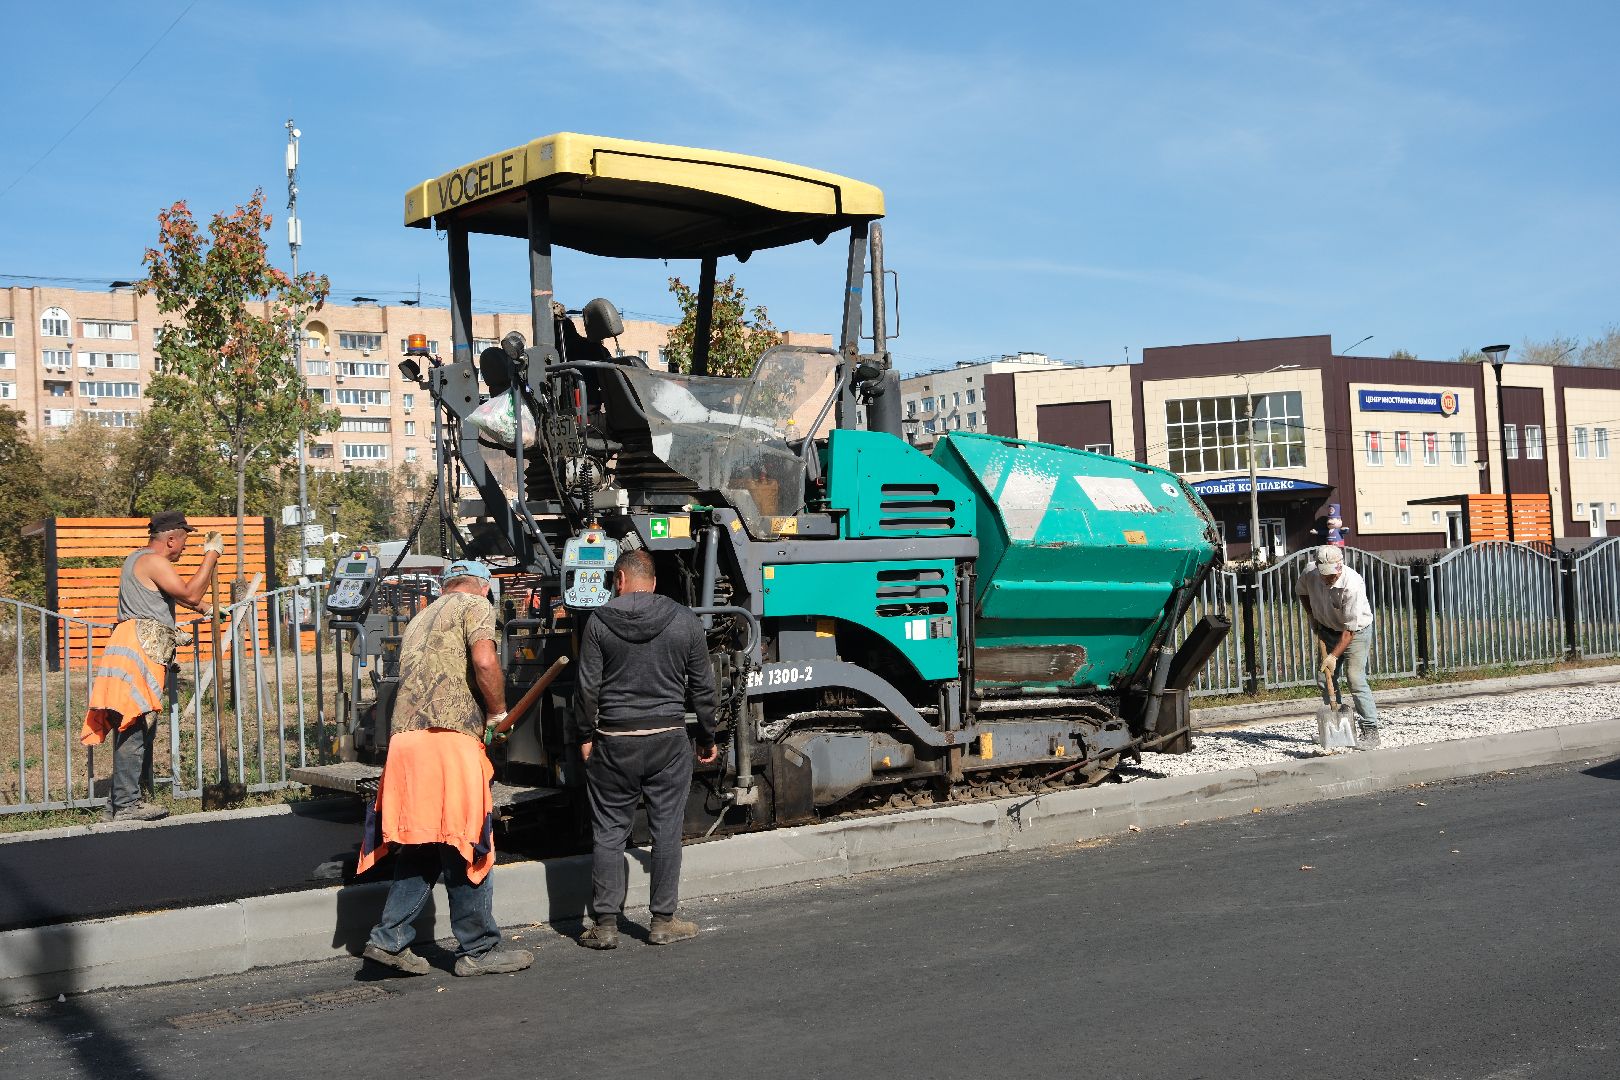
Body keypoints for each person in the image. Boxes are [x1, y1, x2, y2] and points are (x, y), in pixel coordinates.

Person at [355, 559, 533, 978]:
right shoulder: (476, 606)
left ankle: (388, 939)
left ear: (444, 585)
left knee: (422, 842)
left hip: (406, 743)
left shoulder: (420, 617)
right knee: (466, 840)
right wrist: (498, 712)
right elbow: (485, 661)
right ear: (484, 587)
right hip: (448, 741)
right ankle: (480, 949)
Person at [572, 548, 719, 949]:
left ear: (619, 580)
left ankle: (605, 926)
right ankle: (662, 922)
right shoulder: (684, 619)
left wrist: (585, 736)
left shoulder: (599, 621)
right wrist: (707, 737)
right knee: (666, 831)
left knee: (609, 833)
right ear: (652, 583)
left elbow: (586, 688)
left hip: (614, 741)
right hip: (668, 740)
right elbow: (703, 686)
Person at [81, 510, 222, 822]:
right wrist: (212, 555)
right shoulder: (154, 561)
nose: (184, 548)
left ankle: (117, 805)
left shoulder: (138, 560)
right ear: (171, 539)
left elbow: (180, 597)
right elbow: (189, 593)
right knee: (134, 727)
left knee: (132, 725)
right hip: (138, 651)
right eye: (183, 541)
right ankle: (127, 806)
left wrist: (207, 608)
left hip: (130, 647)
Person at [1295, 544, 1381, 748]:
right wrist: (1311, 615)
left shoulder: (1353, 584)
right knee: (1325, 679)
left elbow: (1349, 631)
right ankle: (1336, 728)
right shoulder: (1310, 572)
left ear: (1340, 566)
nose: (1328, 579)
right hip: (1327, 629)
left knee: (1355, 678)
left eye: (1331, 575)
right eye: (1324, 574)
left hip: (1356, 632)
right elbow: (1302, 592)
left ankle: (1371, 730)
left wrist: (1333, 656)